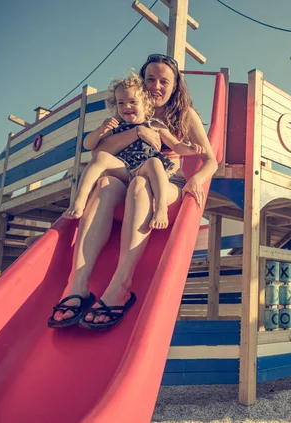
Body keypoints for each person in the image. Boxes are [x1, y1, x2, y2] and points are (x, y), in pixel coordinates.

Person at [48, 54, 218, 329]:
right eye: (150, 79)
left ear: (175, 86)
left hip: (165, 184)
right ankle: (77, 284)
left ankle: (121, 285)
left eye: (165, 81)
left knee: (140, 184)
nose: (156, 86)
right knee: (104, 183)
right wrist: (138, 132)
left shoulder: (184, 115)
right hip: (126, 175)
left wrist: (196, 179)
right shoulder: (130, 110)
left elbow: (211, 160)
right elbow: (100, 153)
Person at [62, 72, 204, 229]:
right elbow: (89, 145)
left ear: (145, 103)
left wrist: (190, 149)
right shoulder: (116, 125)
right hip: (124, 169)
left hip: (144, 169)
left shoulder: (155, 125)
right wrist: (100, 131)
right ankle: (79, 200)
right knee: (101, 156)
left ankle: (161, 207)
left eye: (132, 102)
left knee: (155, 163)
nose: (126, 107)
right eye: (120, 103)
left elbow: (176, 146)